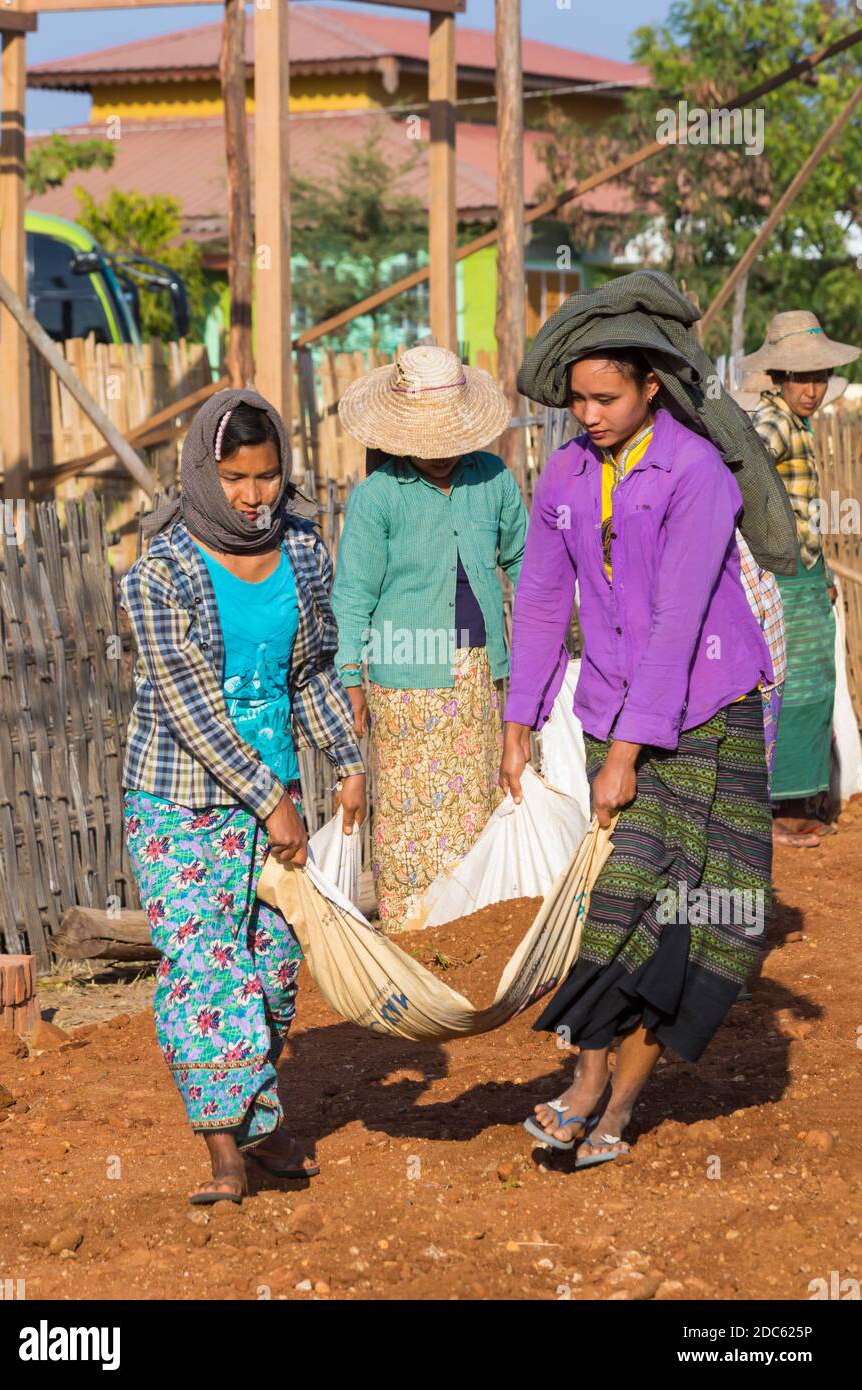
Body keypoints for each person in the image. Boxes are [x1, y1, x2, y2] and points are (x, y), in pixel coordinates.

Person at [502, 347, 775, 1169]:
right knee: (615, 901)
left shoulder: (695, 472)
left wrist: (624, 754)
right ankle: (586, 1082)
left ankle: (614, 1104)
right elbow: (546, 597)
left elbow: (678, 620)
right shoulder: (564, 477)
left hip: (706, 716)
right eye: (577, 400)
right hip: (614, 710)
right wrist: (518, 717)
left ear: (650, 388)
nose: (587, 414)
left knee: (685, 921)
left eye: (607, 397)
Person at [119, 387, 367, 1205]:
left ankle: (254, 1119)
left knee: (271, 967)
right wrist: (270, 799)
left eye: (265, 476)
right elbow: (189, 705)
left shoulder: (303, 552)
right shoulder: (159, 575)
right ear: (200, 470)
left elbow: (314, 669)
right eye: (233, 477)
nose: (253, 496)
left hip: (277, 797)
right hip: (178, 801)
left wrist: (346, 757)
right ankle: (228, 1147)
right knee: (205, 966)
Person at [332, 345, 528, 929]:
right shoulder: (378, 497)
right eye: (427, 445)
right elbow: (354, 593)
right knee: (411, 824)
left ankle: (474, 936)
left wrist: (545, 648)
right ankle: (416, 939)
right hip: (403, 682)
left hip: (476, 675)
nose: (441, 457)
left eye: (449, 443)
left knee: (475, 811)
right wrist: (351, 677)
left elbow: (523, 561)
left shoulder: (491, 479)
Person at [740, 312, 860, 848]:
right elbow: (745, 466)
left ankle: (797, 799)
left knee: (814, 685)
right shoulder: (775, 423)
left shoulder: (800, 422)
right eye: (800, 379)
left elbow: (807, 510)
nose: (811, 389)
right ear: (780, 380)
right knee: (789, 688)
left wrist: (825, 572)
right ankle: (780, 808)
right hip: (781, 576)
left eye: (817, 379)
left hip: (805, 573)